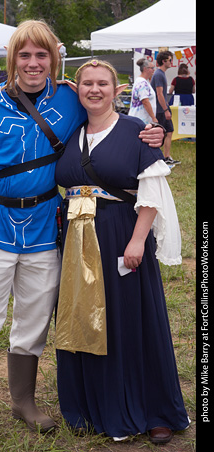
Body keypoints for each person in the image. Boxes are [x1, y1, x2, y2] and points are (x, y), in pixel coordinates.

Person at [0, 21, 165, 448]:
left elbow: (107, 116)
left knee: (34, 320)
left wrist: (152, 132)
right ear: (12, 59)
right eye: (25, 55)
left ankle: (23, 401)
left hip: (45, 230)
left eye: (42, 56)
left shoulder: (67, 98)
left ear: (54, 61)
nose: (33, 63)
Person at [55, 59, 190, 445]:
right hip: (76, 241)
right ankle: (92, 407)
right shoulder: (71, 133)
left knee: (131, 321)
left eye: (102, 84)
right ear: (76, 89)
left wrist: (137, 239)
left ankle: (154, 411)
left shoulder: (136, 131)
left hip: (120, 235)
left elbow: (151, 190)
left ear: (118, 90)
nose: (94, 90)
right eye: (87, 84)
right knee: (85, 322)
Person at [151, 51, 180, 166]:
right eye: (170, 60)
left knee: (169, 131)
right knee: (160, 134)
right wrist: (165, 110)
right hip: (160, 110)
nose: (171, 63)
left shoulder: (161, 74)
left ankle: (166, 157)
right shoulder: (158, 74)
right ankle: (157, 158)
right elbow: (159, 94)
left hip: (162, 108)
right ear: (164, 61)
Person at [129, 58, 157, 124]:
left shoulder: (141, 81)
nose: (154, 70)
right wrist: (153, 118)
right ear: (145, 69)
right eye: (152, 68)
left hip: (140, 119)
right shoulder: (142, 83)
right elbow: (145, 101)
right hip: (141, 119)